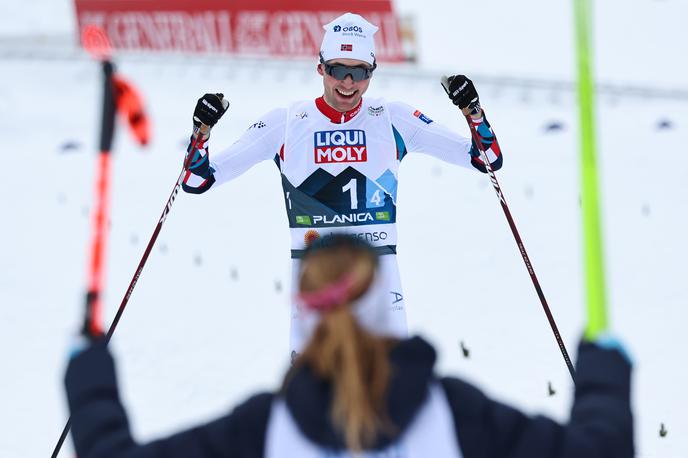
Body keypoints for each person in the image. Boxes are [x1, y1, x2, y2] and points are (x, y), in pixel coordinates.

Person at [64, 234, 634, 457]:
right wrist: (604, 378)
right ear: (385, 307)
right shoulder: (458, 415)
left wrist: (90, 381)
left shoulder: (261, 430)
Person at [181, 12, 504, 356]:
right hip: (317, 283)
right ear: (320, 68)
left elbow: (486, 160)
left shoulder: (392, 118)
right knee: (312, 402)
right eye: (338, 70)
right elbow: (197, 180)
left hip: (381, 287)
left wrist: (473, 112)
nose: (348, 83)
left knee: (391, 399)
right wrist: (201, 132)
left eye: (359, 72)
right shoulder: (287, 123)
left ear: (372, 71)